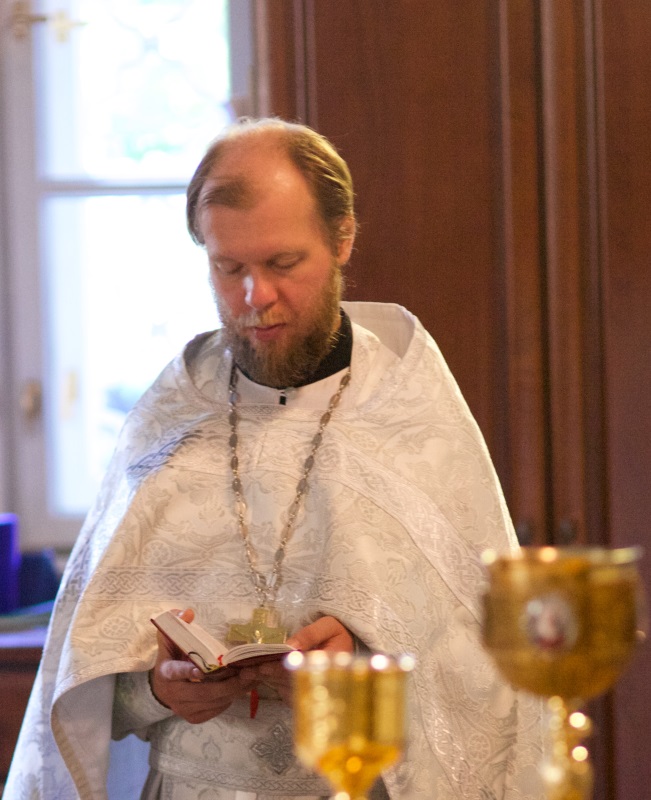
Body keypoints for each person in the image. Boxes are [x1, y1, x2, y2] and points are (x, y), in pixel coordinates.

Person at [5, 117, 544, 799]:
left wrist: (360, 673)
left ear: (342, 239)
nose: (254, 298)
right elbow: (81, 676)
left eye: (282, 264)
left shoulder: (410, 416)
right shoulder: (170, 418)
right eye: (228, 268)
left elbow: (484, 682)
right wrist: (158, 692)